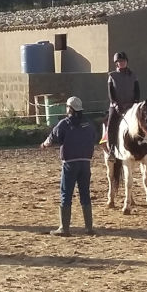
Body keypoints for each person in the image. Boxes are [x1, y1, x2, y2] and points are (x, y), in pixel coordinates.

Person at [41, 96, 98, 237]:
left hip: (70, 163)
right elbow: (94, 137)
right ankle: (89, 228)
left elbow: (52, 138)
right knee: (85, 194)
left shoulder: (64, 124)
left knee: (66, 194)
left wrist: (44, 145)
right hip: (85, 163)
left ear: (70, 109)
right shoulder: (88, 124)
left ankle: (64, 228)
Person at [106, 51, 140, 157]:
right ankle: (112, 149)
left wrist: (135, 103)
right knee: (111, 124)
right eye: (120, 61)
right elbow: (111, 93)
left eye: (124, 61)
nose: (122, 63)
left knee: (144, 121)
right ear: (116, 63)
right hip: (117, 106)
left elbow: (137, 90)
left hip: (131, 105)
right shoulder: (112, 76)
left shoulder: (133, 75)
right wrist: (115, 104)